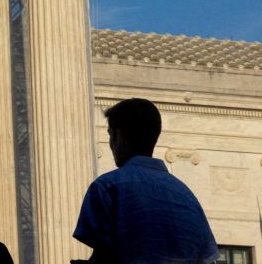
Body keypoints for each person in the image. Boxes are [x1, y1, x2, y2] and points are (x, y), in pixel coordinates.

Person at [74, 97, 218, 264]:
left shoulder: (108, 187)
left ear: (118, 136)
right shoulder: (188, 198)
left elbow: (104, 256)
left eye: (110, 135)